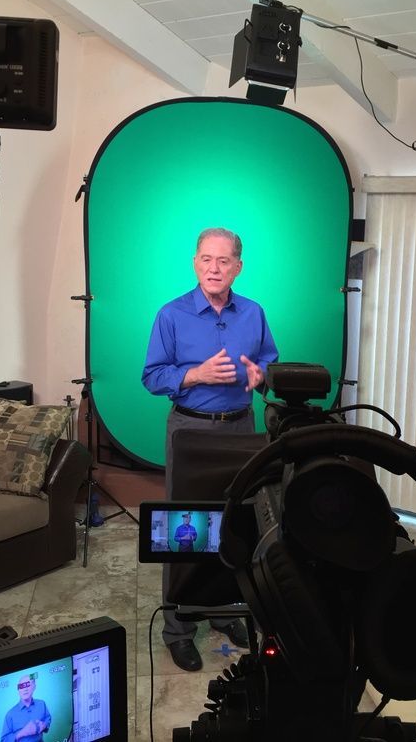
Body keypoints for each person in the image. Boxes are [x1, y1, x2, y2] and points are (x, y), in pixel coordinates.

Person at [143, 227, 279, 672]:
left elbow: (271, 362)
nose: (214, 269)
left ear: (238, 267)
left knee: (235, 524)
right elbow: (152, 376)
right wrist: (196, 374)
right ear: (195, 263)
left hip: (241, 427)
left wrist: (261, 376)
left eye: (223, 261)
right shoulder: (171, 315)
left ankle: (222, 611)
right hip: (190, 430)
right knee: (183, 528)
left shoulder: (254, 313)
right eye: (206, 259)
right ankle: (178, 628)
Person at [0, 675, 51, 742]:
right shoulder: (10, 714)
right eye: (21, 686)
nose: (25, 689)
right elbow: (4, 740)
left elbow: (48, 718)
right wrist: (22, 733)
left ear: (34, 687)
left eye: (28, 685)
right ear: (18, 689)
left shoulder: (41, 704)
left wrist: (44, 725)